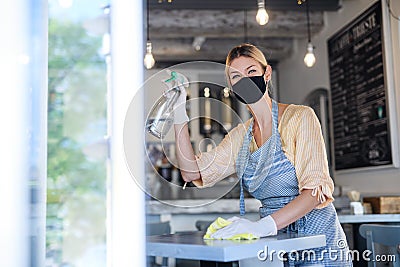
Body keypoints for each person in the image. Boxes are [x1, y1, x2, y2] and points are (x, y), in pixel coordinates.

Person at [172, 43, 352, 266]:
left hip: (318, 242)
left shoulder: (300, 117)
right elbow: (191, 173)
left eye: (251, 72)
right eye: (236, 76)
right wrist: (179, 112)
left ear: (266, 73)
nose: (245, 81)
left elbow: (315, 193)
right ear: (231, 85)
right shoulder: (240, 136)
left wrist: (262, 226)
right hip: (276, 244)